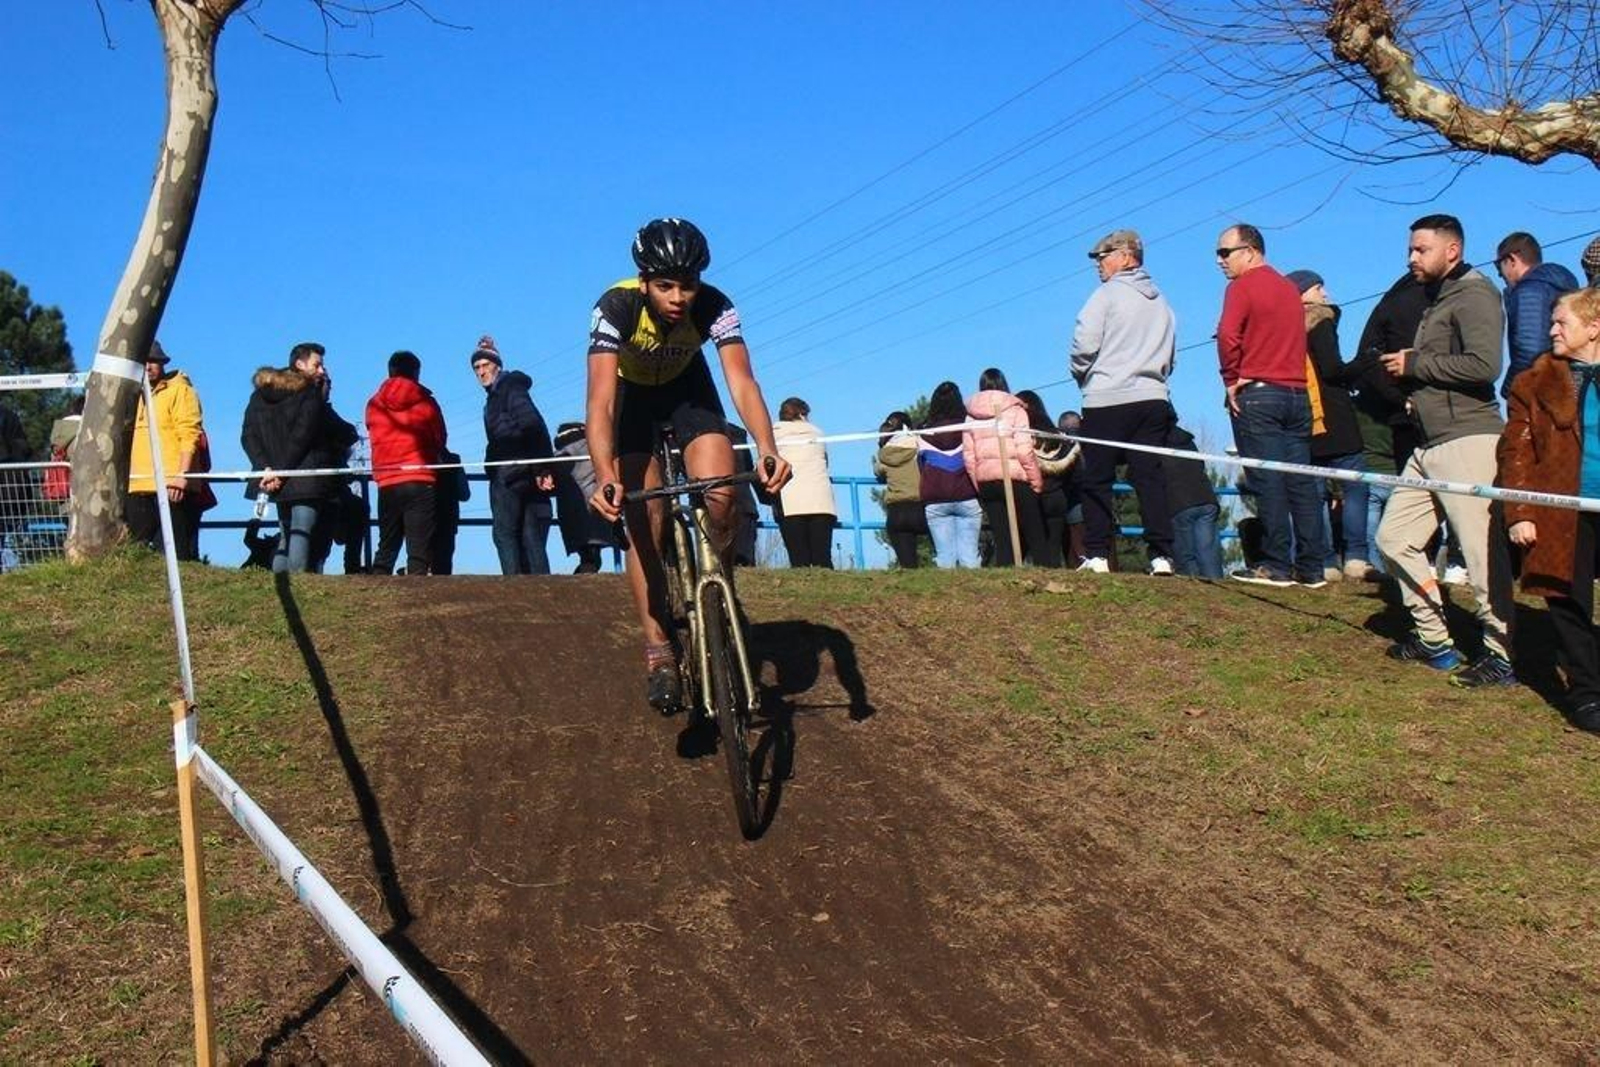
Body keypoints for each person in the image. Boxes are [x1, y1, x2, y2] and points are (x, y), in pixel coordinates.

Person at [585, 218, 790, 709]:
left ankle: (717, 586)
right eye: (665, 286)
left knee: (722, 494)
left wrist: (766, 445)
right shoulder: (615, 307)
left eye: (688, 286)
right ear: (643, 281)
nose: (679, 297)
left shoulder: (716, 306)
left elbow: (742, 383)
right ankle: (658, 647)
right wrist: (606, 475)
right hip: (633, 400)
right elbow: (601, 403)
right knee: (645, 517)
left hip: (687, 391)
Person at [1374, 214, 1517, 687]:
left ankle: (1502, 655)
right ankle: (1435, 639)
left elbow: (1485, 365)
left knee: (1480, 557)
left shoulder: (1475, 293)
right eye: (1410, 249)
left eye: (1421, 250)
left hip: (1469, 440)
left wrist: (1417, 363)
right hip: (1429, 441)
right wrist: (1419, 392)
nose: (1410, 258)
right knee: (1392, 539)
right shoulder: (1436, 299)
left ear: (1451, 250)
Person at [1500, 288, 1600, 731]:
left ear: (1594, 328)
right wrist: (1521, 509)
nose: (1552, 330)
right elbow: (1515, 451)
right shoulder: (1533, 383)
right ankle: (1586, 694)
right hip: (1564, 509)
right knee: (1568, 600)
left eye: (1562, 323)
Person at [1215, 222, 1329, 588]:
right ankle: (1312, 566)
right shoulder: (1288, 289)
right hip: (1297, 395)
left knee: (1268, 481)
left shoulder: (1242, 287)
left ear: (1249, 250)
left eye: (1225, 252)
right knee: (1302, 483)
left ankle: (1276, 564)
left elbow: (1229, 334)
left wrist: (1231, 379)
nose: (1220, 261)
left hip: (1259, 393)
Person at [1069, 229, 1177, 576]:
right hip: (1152, 397)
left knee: (1096, 477)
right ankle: (1161, 555)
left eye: (1104, 257)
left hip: (1106, 398)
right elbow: (1171, 354)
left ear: (1126, 256)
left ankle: (1098, 554)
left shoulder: (1105, 296)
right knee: (1149, 478)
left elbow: (1084, 344)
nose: (1099, 265)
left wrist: (1084, 376)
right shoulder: (1162, 302)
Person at [240, 341, 359, 574]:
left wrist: (266, 469)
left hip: (272, 478)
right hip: (304, 477)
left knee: (285, 535)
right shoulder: (309, 396)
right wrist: (283, 471)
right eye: (318, 364)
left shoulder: (259, 397)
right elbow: (302, 437)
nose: (322, 370)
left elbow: (248, 436)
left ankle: (279, 586)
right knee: (302, 532)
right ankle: (299, 586)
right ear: (300, 364)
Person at [1286, 269, 1370, 582]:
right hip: (1334, 415)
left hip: (1302, 418)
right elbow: (1333, 369)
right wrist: (1364, 363)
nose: (1325, 293)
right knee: (1356, 484)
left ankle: (1323, 559)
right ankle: (1357, 556)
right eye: (1319, 287)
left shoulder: (1283, 329)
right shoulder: (1321, 321)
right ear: (1305, 293)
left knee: (1313, 492)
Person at [472, 335, 556, 575]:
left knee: (503, 532)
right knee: (529, 534)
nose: (481, 372)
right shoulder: (495, 398)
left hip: (511, 471)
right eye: (476, 368)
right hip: (520, 469)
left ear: (497, 365)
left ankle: (514, 585)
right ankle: (541, 586)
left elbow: (533, 424)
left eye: (485, 365)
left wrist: (542, 467)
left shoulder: (509, 389)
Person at [364, 349, 445, 577]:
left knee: (386, 546)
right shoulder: (426, 403)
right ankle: (418, 600)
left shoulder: (373, 404)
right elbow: (439, 437)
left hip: (387, 479)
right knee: (418, 550)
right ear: (416, 373)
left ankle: (376, 591)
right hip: (419, 478)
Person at [126, 341, 209, 561]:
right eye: (143, 361)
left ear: (162, 363)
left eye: (153, 361)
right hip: (137, 484)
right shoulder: (131, 395)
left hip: (172, 483)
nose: (148, 366)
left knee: (175, 554)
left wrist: (181, 476)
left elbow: (190, 434)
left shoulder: (181, 390)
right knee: (138, 554)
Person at [963, 368, 1046, 567]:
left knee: (1001, 535)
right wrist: (1036, 481)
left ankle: (1005, 575)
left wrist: (979, 483)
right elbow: (1024, 449)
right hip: (1015, 476)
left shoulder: (970, 417)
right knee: (1034, 530)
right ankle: (1046, 568)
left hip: (986, 480)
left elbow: (969, 457)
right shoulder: (1016, 410)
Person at [1496, 231, 1579, 398]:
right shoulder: (1567, 286)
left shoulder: (1529, 290)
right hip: (1571, 384)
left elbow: (1530, 350)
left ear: (1512, 260)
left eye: (1499, 266)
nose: (1499, 274)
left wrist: (1509, 390)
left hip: (1542, 393)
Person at [918, 381, 981, 569]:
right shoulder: (969, 428)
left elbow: (921, 465)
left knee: (944, 559)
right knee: (970, 558)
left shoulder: (922, 432)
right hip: (967, 495)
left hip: (935, 499)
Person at [772, 397, 836, 568]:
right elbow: (826, 461)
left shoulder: (773, 434)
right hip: (821, 500)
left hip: (789, 500)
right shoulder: (817, 433)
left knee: (798, 559)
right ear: (802, 414)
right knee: (823, 558)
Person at [1017, 390, 1074, 567]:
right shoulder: (1058, 436)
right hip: (1057, 496)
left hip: (1032, 495)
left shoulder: (1022, 436)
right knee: (1054, 546)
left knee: (1031, 544)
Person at [552, 421, 616, 573]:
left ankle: (582, 575)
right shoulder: (593, 449)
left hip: (569, 511)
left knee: (585, 554)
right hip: (595, 506)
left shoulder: (557, 456)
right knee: (593, 555)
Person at [1165, 423, 1224, 579]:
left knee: (1186, 557)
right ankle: (1218, 590)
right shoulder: (1187, 440)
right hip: (1206, 496)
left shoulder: (1150, 440)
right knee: (1208, 553)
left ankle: (1193, 590)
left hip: (1178, 501)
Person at [873, 410, 927, 569]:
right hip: (921, 506)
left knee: (908, 566)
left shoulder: (884, 454)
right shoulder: (919, 445)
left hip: (896, 511)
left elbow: (878, 471)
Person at [1055, 409, 1088, 567]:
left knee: (1076, 558)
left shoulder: (1060, 450)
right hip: (1097, 510)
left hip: (1073, 511)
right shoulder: (1093, 447)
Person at [432, 447, 468, 575]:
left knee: (420, 557)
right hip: (448, 516)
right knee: (444, 561)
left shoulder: (418, 458)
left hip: (423, 516)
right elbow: (464, 494)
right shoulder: (454, 460)